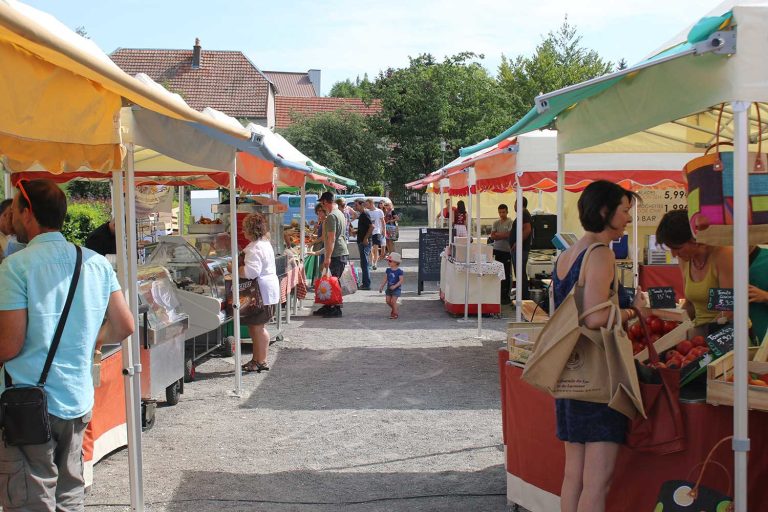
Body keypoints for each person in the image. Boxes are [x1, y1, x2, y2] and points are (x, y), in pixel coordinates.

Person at [0, 179, 135, 511]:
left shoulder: (15, 267)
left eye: (15, 209)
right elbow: (125, 325)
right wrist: (92, 338)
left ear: (28, 213)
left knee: (31, 497)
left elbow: (9, 345)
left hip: (29, 403)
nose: (12, 216)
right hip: (76, 399)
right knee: (69, 492)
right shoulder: (96, 263)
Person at [552, 180, 644, 512]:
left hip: (570, 372)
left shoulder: (567, 255)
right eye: (625, 210)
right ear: (605, 212)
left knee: (573, 476)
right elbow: (594, 317)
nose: (629, 218)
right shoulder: (601, 254)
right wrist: (634, 311)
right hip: (599, 378)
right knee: (597, 482)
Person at [655, 209, 733, 327]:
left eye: (678, 248)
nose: (674, 254)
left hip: (728, 333)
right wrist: (674, 326)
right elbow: (690, 305)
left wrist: (702, 334)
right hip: (700, 333)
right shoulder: (686, 260)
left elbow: (728, 311)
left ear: (695, 240)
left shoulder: (723, 255)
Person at [239, 212, 280, 373]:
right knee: (255, 327)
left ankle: (261, 360)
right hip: (266, 291)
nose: (243, 232)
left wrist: (235, 269)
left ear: (251, 230)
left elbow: (251, 272)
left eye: (244, 229)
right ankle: (256, 359)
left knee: (258, 328)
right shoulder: (264, 243)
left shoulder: (255, 248)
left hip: (261, 293)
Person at [317, 191, 349, 318]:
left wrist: (327, 257)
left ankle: (336, 308)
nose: (322, 206)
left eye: (322, 203)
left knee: (334, 282)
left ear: (325, 202)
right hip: (340, 251)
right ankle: (329, 305)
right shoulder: (340, 213)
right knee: (333, 281)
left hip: (336, 253)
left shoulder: (331, 216)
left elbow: (331, 238)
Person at [509, 198, 533, 300]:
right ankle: (521, 296)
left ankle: (523, 298)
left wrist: (518, 243)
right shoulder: (522, 214)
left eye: (515, 203)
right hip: (518, 249)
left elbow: (527, 229)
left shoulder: (524, 213)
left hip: (521, 250)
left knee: (520, 273)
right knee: (519, 273)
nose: (514, 205)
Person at [490, 204, 514, 304]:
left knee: (506, 274)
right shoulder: (496, 222)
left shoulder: (510, 222)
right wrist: (502, 235)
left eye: (503, 212)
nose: (501, 214)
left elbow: (509, 235)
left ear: (507, 212)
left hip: (506, 251)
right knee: (496, 272)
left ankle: (505, 296)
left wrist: (498, 235)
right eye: (500, 212)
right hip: (496, 250)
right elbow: (492, 236)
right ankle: (496, 294)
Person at [748, 246, 768, 343]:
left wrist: (765, 296)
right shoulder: (723, 259)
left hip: (764, 340)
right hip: (731, 341)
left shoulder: (765, 258)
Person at [354, 199, 373, 290]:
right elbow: (364, 228)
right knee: (363, 263)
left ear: (362, 205)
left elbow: (371, 226)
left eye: (356, 205)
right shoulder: (362, 214)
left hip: (364, 242)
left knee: (364, 264)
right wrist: (356, 232)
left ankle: (366, 284)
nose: (355, 207)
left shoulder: (365, 214)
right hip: (361, 241)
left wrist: (365, 238)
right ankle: (365, 283)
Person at [379, 251, 404, 319]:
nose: (388, 262)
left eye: (390, 261)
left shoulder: (399, 271)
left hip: (396, 289)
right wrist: (382, 286)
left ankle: (395, 313)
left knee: (393, 301)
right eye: (388, 261)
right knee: (388, 301)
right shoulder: (388, 270)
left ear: (396, 263)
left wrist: (395, 286)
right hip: (389, 288)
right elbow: (386, 278)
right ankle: (395, 308)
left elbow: (401, 280)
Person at [366, 198, 385, 270]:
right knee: (370, 249)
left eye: (367, 204)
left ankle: (375, 263)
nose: (366, 206)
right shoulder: (367, 212)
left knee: (375, 248)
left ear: (371, 204)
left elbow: (383, 222)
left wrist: (384, 231)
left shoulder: (379, 211)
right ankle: (371, 262)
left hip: (377, 231)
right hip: (369, 232)